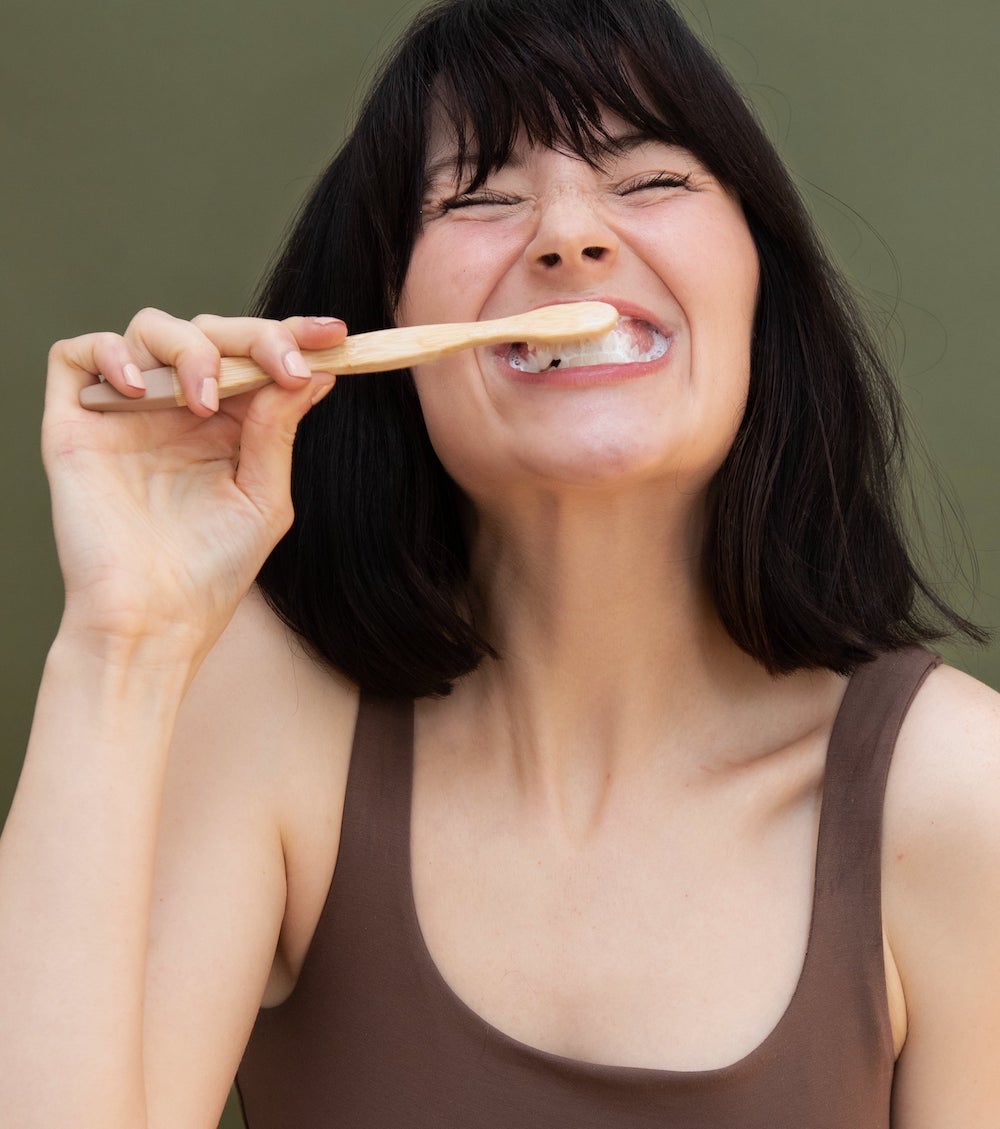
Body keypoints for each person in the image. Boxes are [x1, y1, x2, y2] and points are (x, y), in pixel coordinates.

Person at [1, 0, 998, 1125]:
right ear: (380, 320)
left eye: (651, 180)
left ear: (758, 285)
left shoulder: (956, 791)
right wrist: (118, 643)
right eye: (478, 195)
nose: (568, 237)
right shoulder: (268, 720)